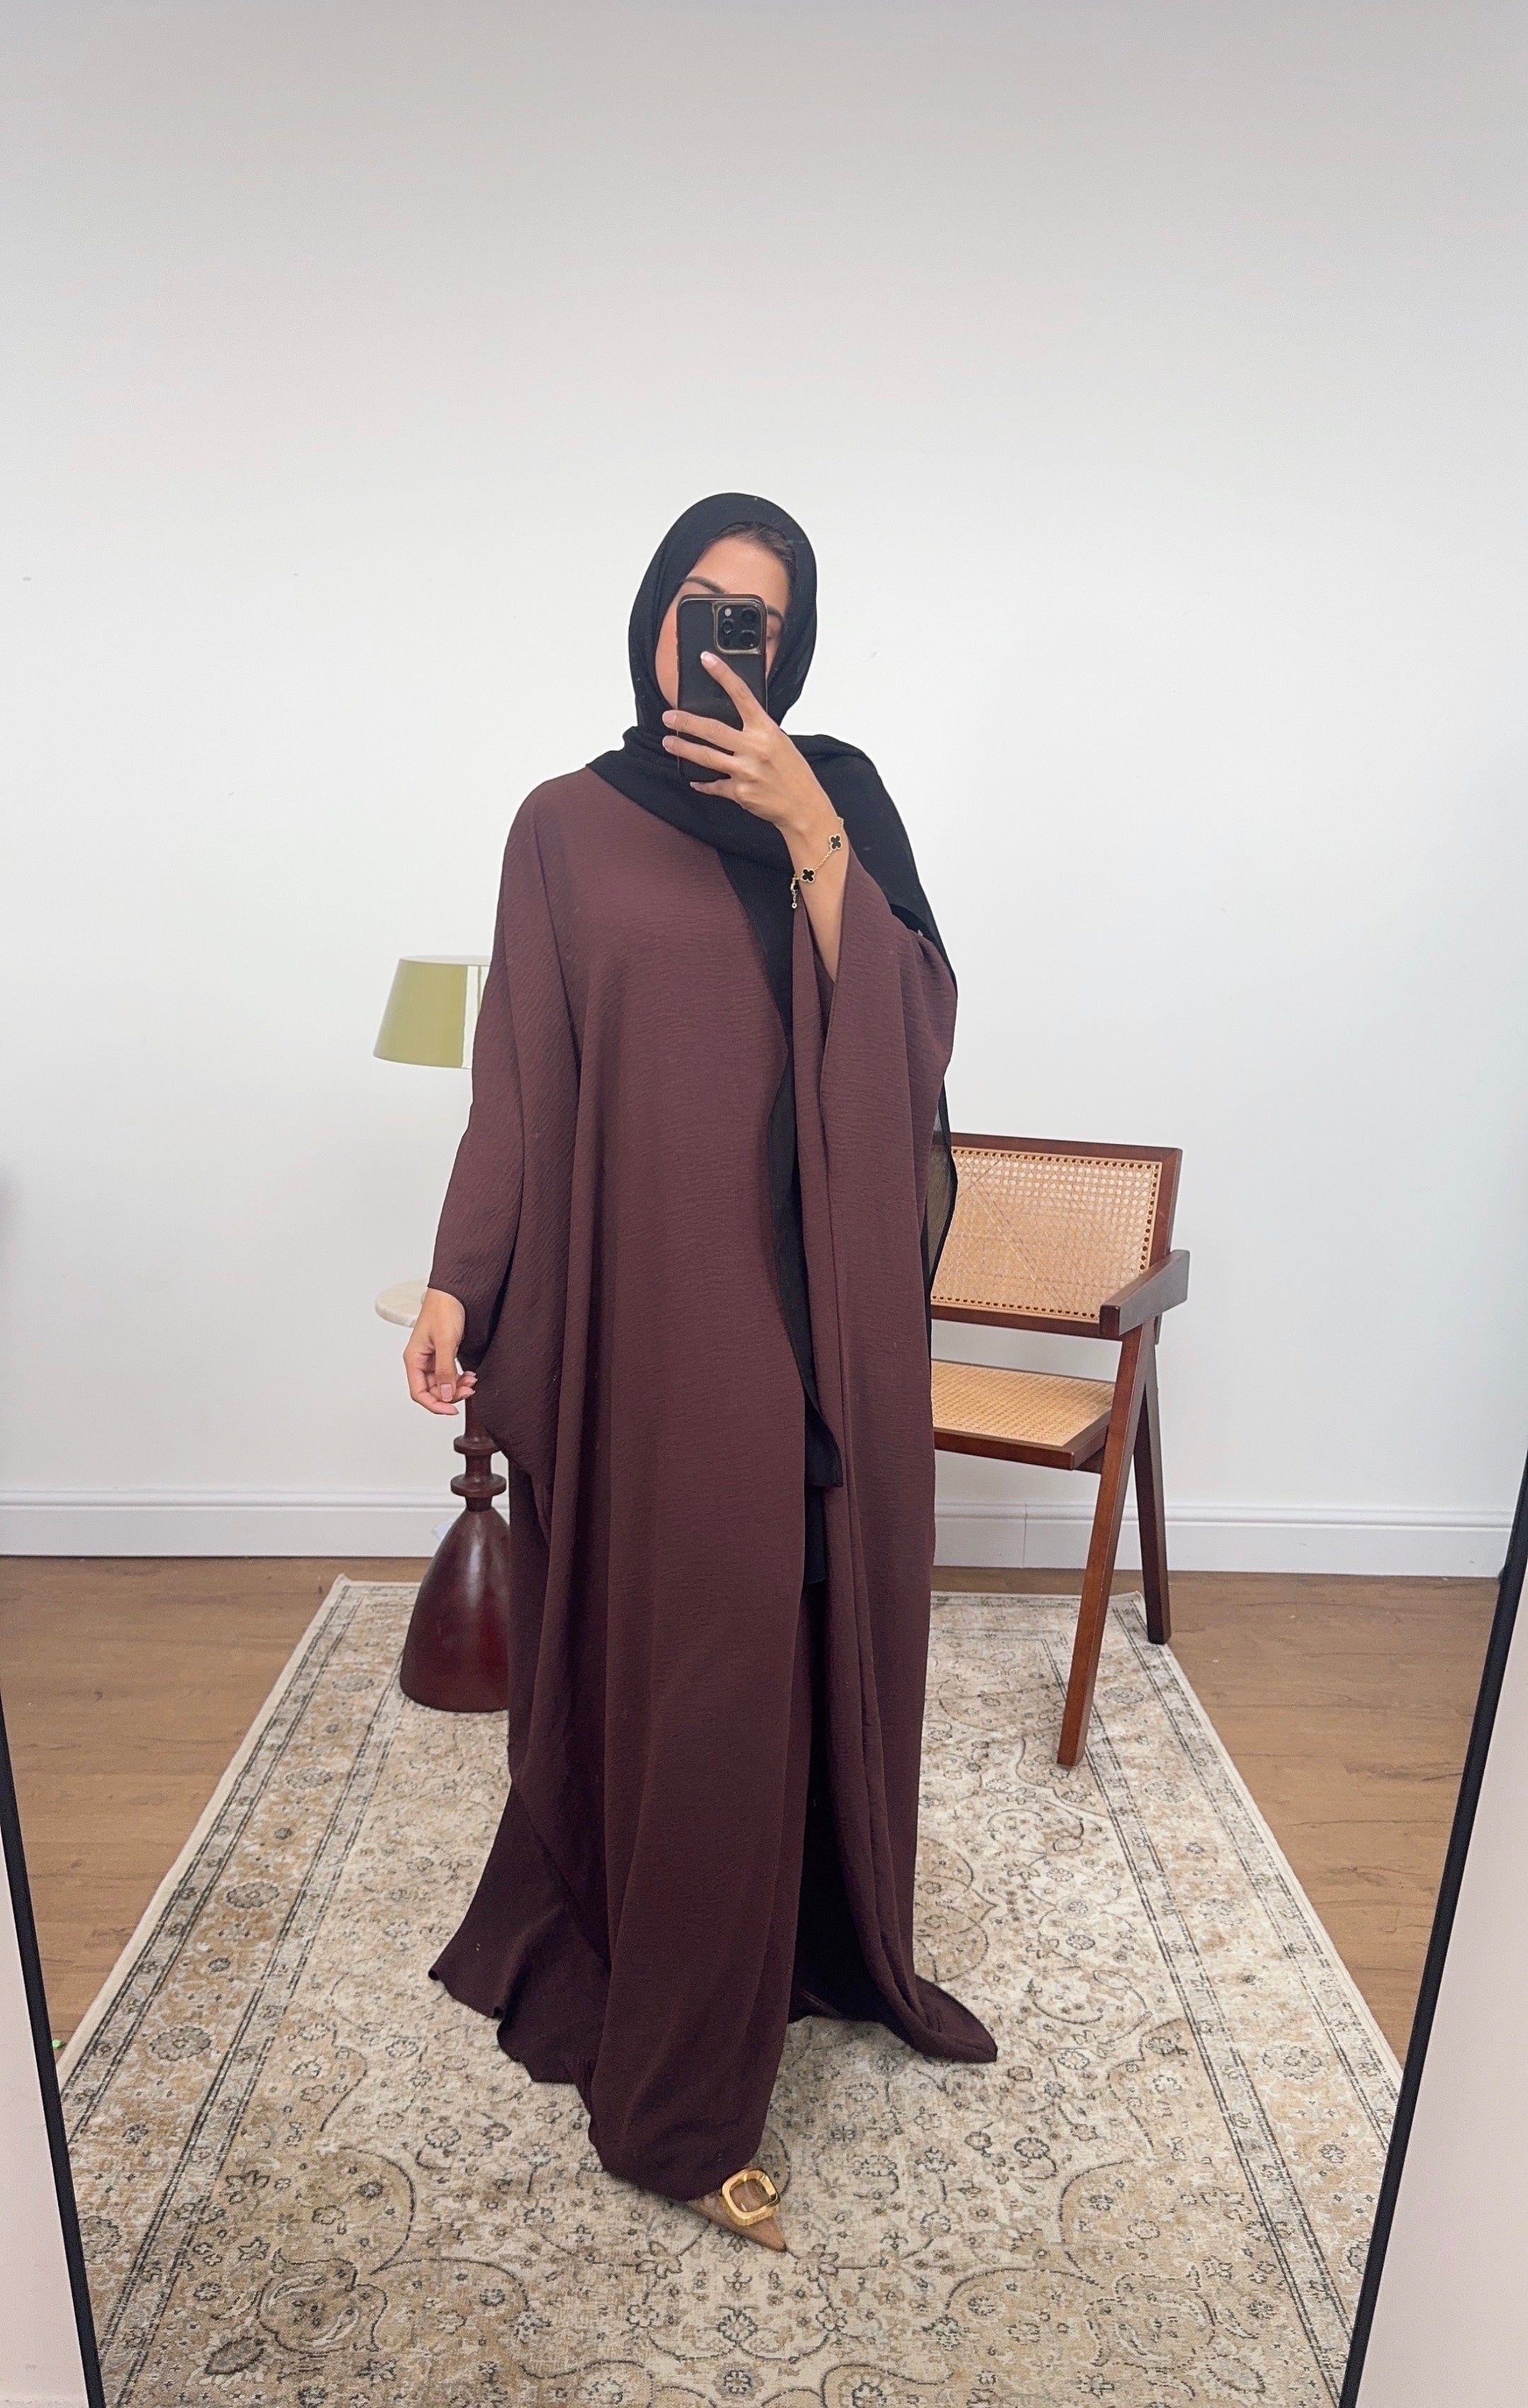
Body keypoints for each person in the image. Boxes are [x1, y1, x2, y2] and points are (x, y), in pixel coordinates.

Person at [404, 492, 996, 2253]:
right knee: (710, 1667)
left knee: (803, 1637)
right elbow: (519, 1079)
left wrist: (813, 832)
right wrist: (458, 1275)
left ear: (791, 653)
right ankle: (683, 2088)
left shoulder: (843, 791)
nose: (728, 640)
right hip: (668, 1322)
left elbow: (913, 1034)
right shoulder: (563, 826)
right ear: (653, 615)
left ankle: (808, 1944)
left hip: (834, 1320)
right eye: (703, 603)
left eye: (764, 621)